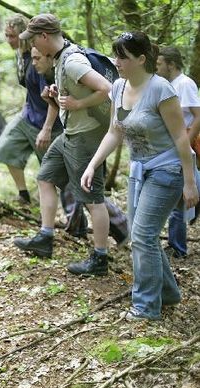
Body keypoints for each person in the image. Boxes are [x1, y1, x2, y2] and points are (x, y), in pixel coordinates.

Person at [81, 32, 198, 320]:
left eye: (123, 57)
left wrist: (189, 181)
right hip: (138, 169)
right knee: (141, 235)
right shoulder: (119, 87)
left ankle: (146, 306)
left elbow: (182, 140)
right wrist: (93, 164)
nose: (116, 62)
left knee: (144, 236)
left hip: (167, 169)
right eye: (116, 55)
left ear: (142, 59)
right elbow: (114, 131)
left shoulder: (162, 89)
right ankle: (167, 293)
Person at [14, 14, 112, 275]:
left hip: (86, 136)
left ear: (44, 36)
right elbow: (74, 93)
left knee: (93, 198)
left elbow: (106, 88)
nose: (32, 44)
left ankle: (100, 258)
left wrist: (78, 104)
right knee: (45, 177)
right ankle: (46, 238)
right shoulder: (61, 58)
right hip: (70, 133)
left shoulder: (73, 61)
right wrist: (56, 97)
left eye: (34, 38)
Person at [0, 14, 63, 205]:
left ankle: (71, 217)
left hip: (48, 121)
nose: (9, 40)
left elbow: (52, 95)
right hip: (28, 116)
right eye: (6, 35)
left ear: (23, 35)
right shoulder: (20, 55)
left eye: (13, 36)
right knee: (5, 149)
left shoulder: (37, 57)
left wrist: (47, 128)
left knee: (52, 173)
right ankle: (24, 195)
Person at [156, 46, 200, 258]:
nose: (156, 68)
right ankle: (176, 244)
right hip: (172, 148)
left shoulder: (185, 84)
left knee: (180, 201)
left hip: (184, 147)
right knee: (178, 200)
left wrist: (187, 143)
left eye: (159, 64)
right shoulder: (168, 85)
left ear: (171, 65)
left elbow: (197, 115)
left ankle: (178, 247)